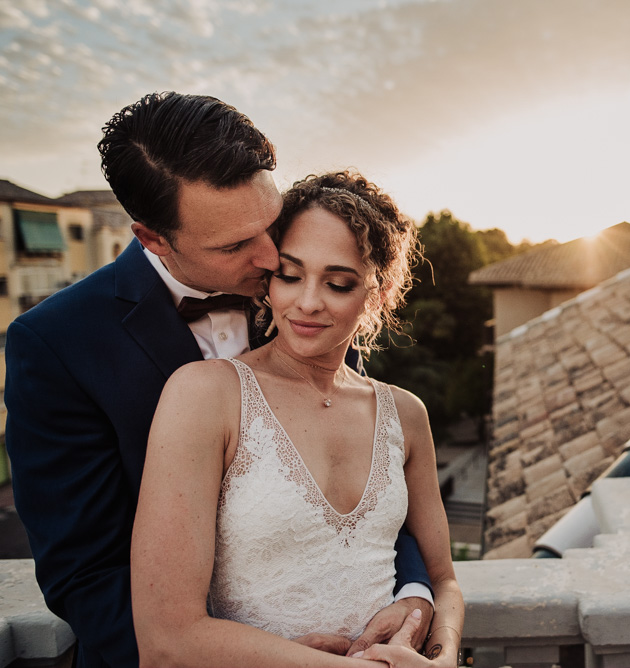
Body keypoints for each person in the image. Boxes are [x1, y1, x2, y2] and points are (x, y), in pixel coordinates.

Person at [3, 92, 433, 668]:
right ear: (153, 238)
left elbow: (368, 485)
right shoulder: (55, 344)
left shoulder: (298, 291)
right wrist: (257, 658)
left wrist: (415, 593)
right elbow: (85, 574)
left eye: (270, 222)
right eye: (234, 245)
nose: (269, 256)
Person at [131, 171, 464, 667]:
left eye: (338, 283)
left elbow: (443, 581)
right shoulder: (206, 393)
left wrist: (441, 657)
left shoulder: (406, 414)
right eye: (289, 275)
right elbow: (166, 639)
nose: (307, 302)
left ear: (378, 291)